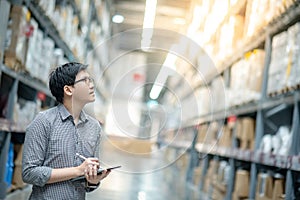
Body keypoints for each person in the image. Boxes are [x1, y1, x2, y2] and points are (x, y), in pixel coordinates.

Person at [22, 62, 110, 199]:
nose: (92, 85)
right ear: (68, 90)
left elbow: (87, 185)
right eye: (85, 81)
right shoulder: (44, 121)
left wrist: (93, 181)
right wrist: (77, 171)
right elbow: (29, 173)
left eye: (90, 80)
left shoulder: (94, 127)